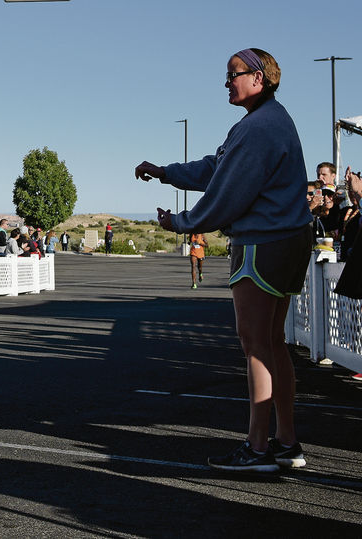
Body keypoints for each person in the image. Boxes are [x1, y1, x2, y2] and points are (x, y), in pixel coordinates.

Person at [135, 48, 312, 472]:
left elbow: (228, 193)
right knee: (272, 343)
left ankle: (256, 449)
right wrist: (167, 172)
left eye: (234, 74)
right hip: (288, 239)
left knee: (255, 346)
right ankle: (286, 442)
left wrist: (182, 222)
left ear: (260, 77)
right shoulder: (270, 120)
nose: (227, 82)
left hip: (262, 243)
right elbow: (219, 167)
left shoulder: (258, 127)